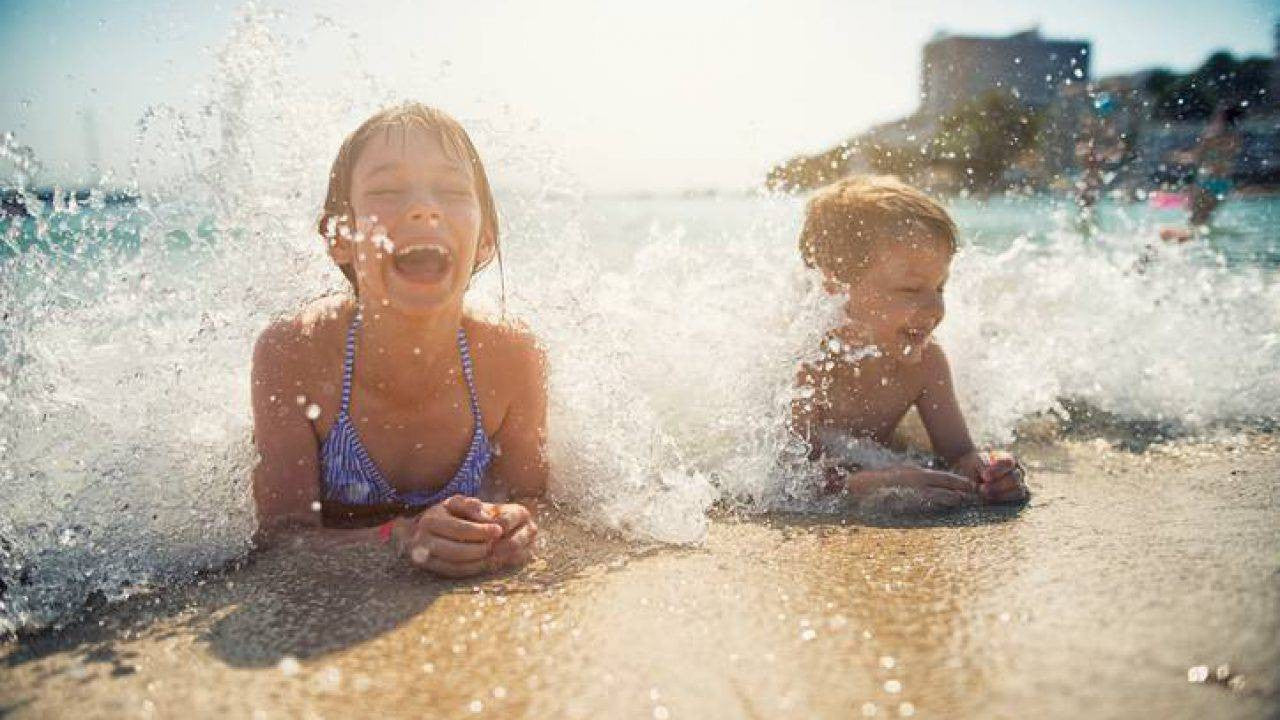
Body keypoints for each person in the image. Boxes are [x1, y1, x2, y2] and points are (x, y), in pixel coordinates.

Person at [251, 103, 547, 577]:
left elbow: (533, 500)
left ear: (485, 239)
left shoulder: (511, 358)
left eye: (452, 190)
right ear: (339, 237)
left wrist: (515, 528)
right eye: (387, 190)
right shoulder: (295, 353)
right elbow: (283, 539)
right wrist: (401, 537)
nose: (424, 208)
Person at [791, 176, 1029, 509]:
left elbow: (959, 454)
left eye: (940, 288)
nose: (936, 309)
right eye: (911, 289)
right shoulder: (805, 366)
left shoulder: (926, 363)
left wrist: (990, 473)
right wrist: (877, 485)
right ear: (835, 286)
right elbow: (786, 481)